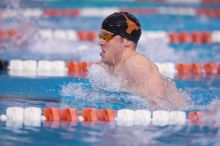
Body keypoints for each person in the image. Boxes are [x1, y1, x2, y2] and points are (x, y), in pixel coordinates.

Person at [96, 12, 187, 108]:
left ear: (126, 41)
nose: (100, 42)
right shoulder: (107, 67)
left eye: (106, 36)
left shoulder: (137, 63)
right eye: (100, 36)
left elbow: (160, 105)